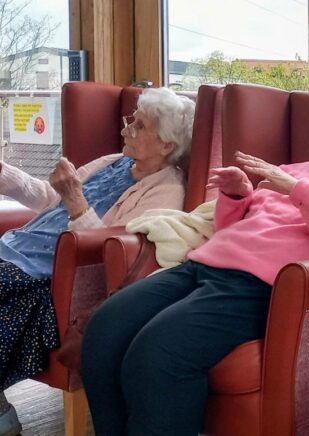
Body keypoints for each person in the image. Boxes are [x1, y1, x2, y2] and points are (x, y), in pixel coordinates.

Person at [80, 85, 309, 436]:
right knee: (105, 327)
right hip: (205, 264)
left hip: (256, 286)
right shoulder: (301, 169)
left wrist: (295, 188)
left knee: (158, 353)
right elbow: (232, 229)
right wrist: (236, 197)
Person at [0, 87, 193, 435]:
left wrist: (76, 201)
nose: (126, 130)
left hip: (48, 274)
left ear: (167, 145)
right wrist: (4, 173)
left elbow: (112, 250)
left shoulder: (167, 191)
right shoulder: (112, 162)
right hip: (16, 249)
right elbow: (48, 197)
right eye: (130, 120)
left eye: (139, 126)